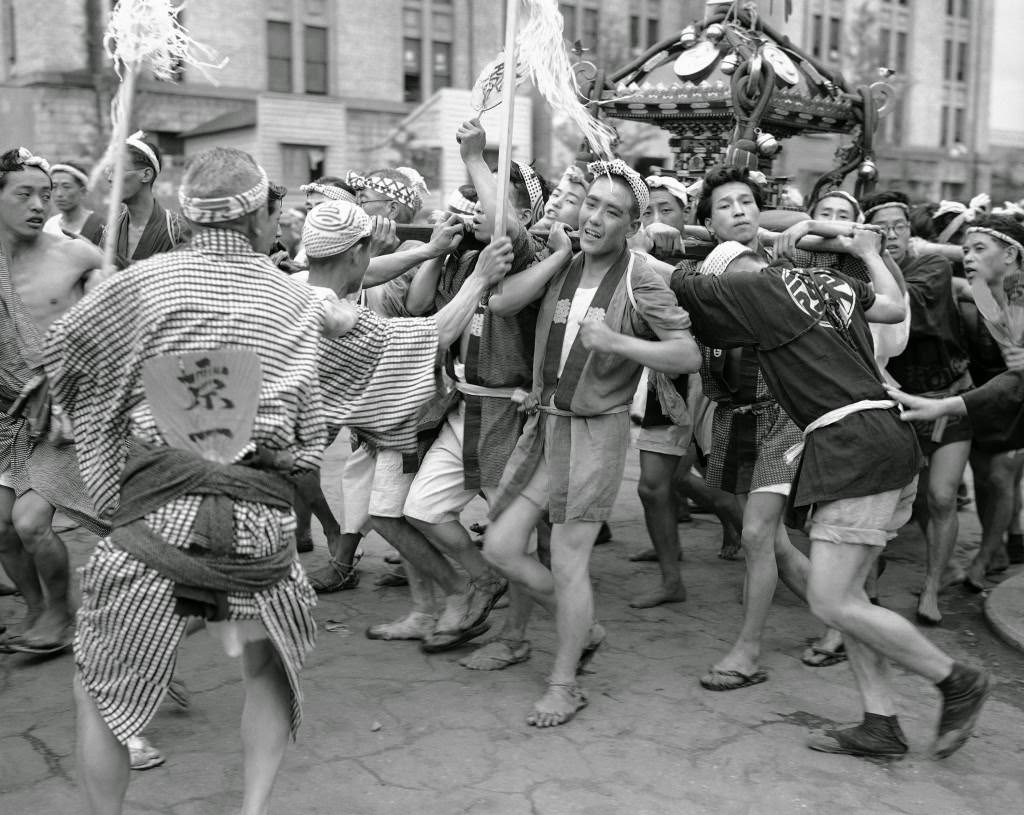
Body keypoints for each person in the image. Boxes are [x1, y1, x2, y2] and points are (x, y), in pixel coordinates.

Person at [47, 147, 491, 815]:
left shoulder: (137, 286)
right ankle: (253, 807)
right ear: (258, 221)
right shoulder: (296, 296)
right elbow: (412, 341)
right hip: (260, 534)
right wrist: (480, 280)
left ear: (188, 218)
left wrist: (106, 311)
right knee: (270, 670)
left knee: (98, 690)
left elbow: (61, 356)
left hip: (153, 525)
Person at [673, 235, 990, 761]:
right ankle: (880, 721)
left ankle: (956, 680)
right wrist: (868, 252)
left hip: (854, 445)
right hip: (882, 438)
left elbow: (678, 280)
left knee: (829, 599)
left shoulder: (759, 293)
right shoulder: (827, 283)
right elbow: (892, 305)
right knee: (850, 601)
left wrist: (659, 249)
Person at [483, 159, 700, 727]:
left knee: (569, 558)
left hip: (596, 433)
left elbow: (686, 355)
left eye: (613, 211)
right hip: (547, 426)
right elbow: (501, 302)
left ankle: (564, 682)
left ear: (632, 226)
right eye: (592, 204)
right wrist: (558, 253)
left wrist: (617, 343)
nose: (596, 217)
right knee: (501, 548)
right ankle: (585, 630)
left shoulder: (640, 276)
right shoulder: (565, 263)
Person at [394, 120, 552, 654]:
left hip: (511, 415)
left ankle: (518, 637)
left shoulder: (525, 259)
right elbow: (417, 307)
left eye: (485, 201)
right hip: (464, 409)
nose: (474, 209)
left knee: (515, 537)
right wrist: (440, 246)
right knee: (422, 510)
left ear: (522, 216)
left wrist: (473, 157)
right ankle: (482, 581)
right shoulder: (468, 258)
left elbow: (506, 224)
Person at [0, 147, 106, 656]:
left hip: (67, 414)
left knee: (30, 522)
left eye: (46, 194)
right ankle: (36, 610)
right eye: (24, 195)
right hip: (6, 418)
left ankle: (62, 616)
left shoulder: (76, 254)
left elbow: (119, 325)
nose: (40, 205)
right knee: (1, 527)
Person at [862, 190, 973, 625]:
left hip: (947, 395)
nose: (892, 234)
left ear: (911, 230)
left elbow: (905, 315)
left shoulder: (933, 264)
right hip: (894, 405)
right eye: (881, 226)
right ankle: (867, 588)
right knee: (893, 503)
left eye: (900, 225)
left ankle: (931, 588)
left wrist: (879, 263)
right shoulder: (858, 270)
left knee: (943, 496)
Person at [954, 217, 1024, 590]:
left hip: (1017, 398)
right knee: (984, 476)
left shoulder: (1021, 292)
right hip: (985, 396)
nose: (968, 257)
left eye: (979, 249)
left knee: (1001, 477)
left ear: (1011, 254)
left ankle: (984, 559)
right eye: (966, 250)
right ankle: (995, 547)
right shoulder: (980, 291)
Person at [101, 131, 188, 268]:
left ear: (146, 174)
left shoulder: (176, 231)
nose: (110, 178)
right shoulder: (110, 232)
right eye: (109, 171)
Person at [43, 160, 104, 244]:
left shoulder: (99, 225)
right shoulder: (50, 225)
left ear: (82, 191)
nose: (59, 194)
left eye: (66, 187)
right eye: (54, 187)